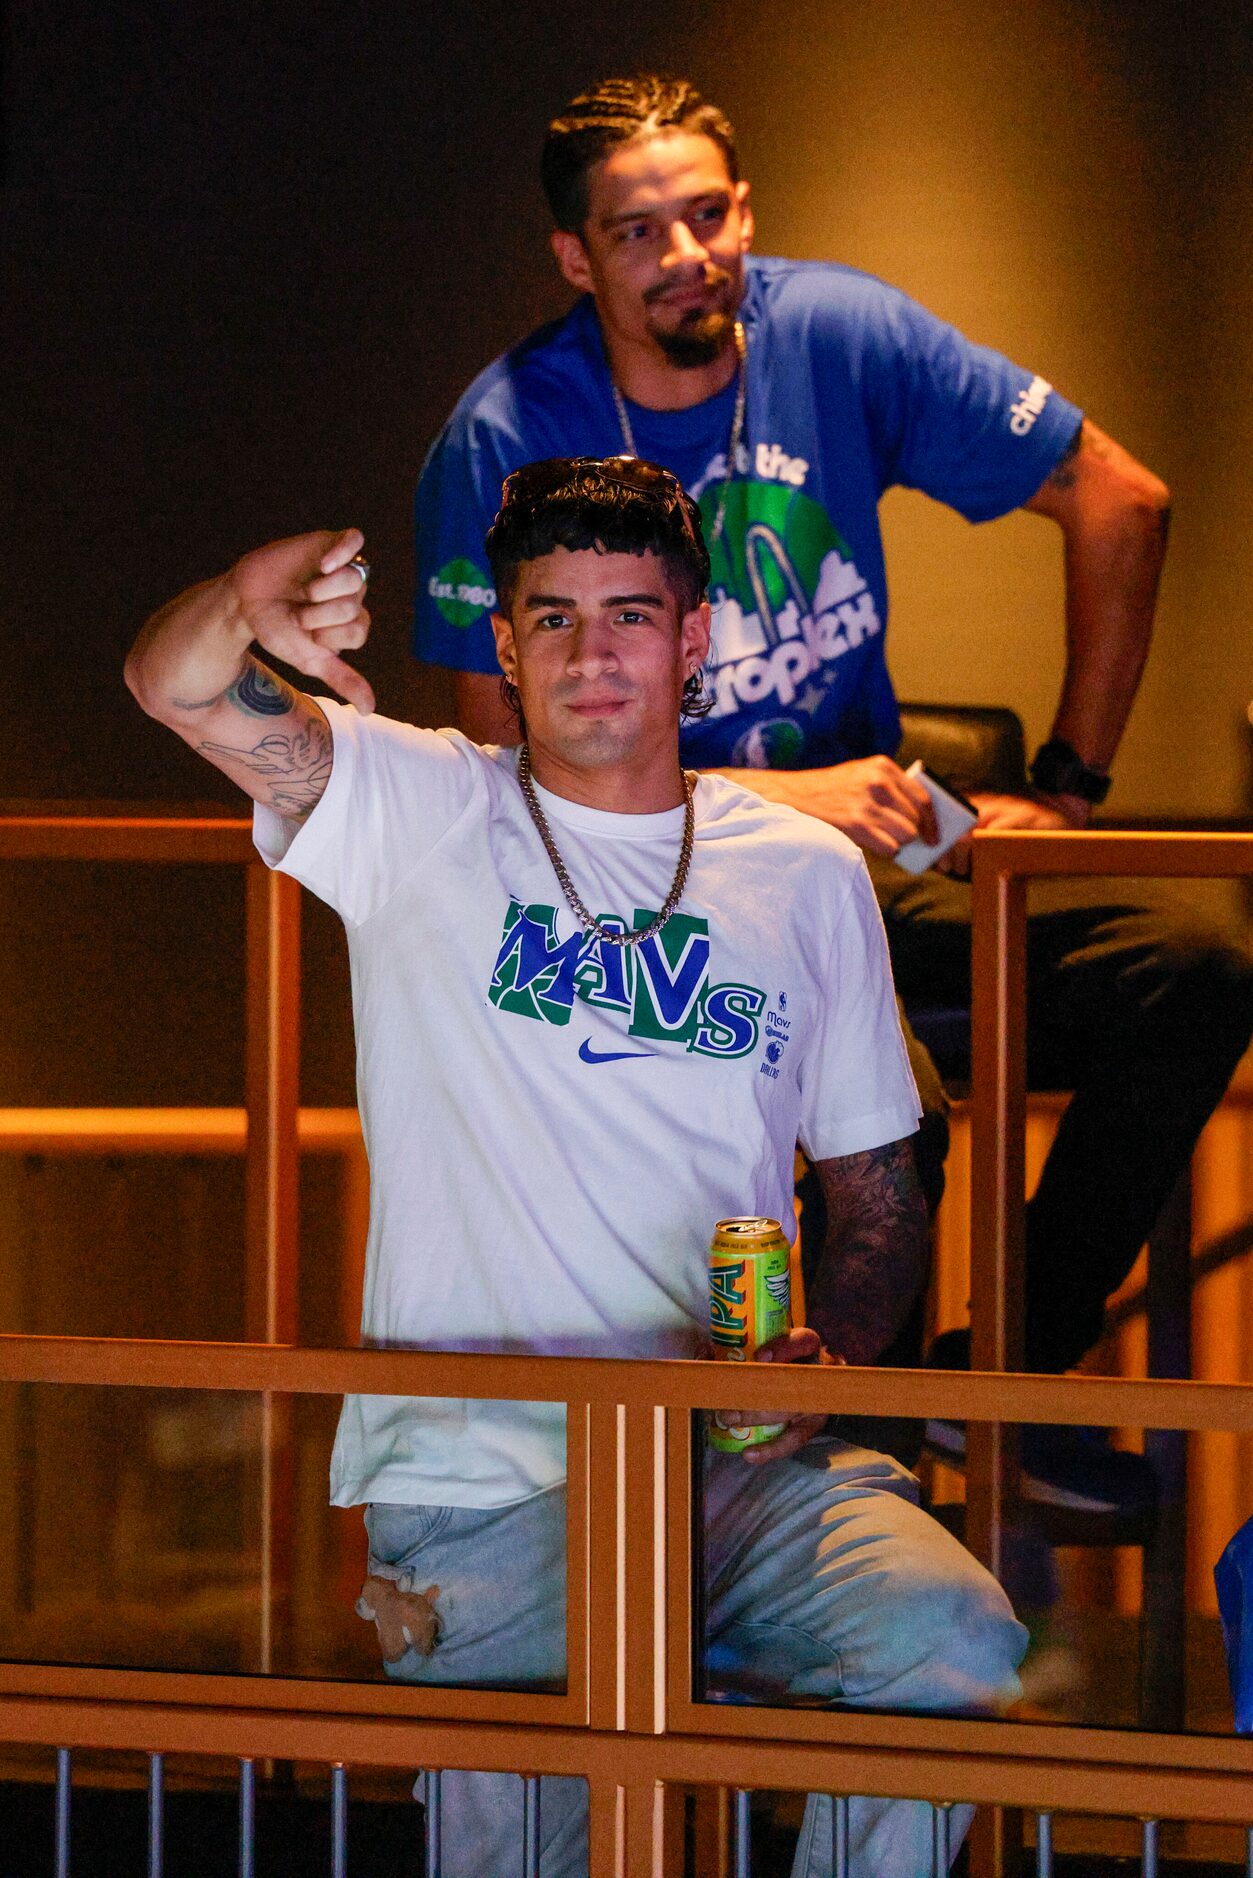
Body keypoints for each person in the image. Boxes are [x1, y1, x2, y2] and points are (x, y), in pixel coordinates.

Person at [126, 458, 1027, 1877]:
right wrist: (250, 599)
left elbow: (872, 1195)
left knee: (953, 1649)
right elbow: (176, 683)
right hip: (483, 1485)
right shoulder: (420, 805)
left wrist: (825, 1357)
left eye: (627, 613)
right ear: (503, 642)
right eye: (550, 617)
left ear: (696, 636)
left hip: (726, 1471)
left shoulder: (801, 873)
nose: (591, 652)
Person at [411, 72, 1253, 1510]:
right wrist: (771, 799)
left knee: (1192, 965)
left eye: (708, 214)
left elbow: (1125, 497)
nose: (688, 256)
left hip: (863, 878)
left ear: (745, 210)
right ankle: (841, 1462)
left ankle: (997, 1386)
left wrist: (1066, 787)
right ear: (574, 258)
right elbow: (504, 773)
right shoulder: (507, 429)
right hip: (642, 901)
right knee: (886, 1110)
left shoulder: (835, 330)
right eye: (636, 233)